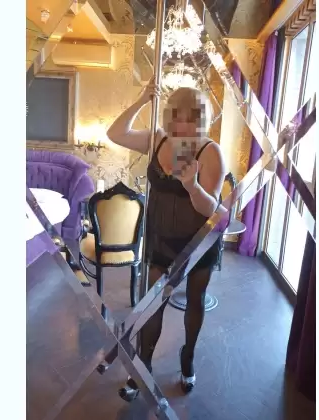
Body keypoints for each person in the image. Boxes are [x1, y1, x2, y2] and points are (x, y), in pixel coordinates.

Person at [107, 77, 226, 400]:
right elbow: (115, 133)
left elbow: (212, 209)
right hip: (161, 240)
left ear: (201, 120)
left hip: (198, 242)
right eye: (177, 117)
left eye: (191, 119)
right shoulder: (158, 140)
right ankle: (142, 368)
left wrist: (192, 186)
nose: (182, 125)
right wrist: (143, 99)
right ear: (168, 116)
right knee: (152, 305)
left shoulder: (210, 152)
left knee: (195, 301)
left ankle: (187, 358)